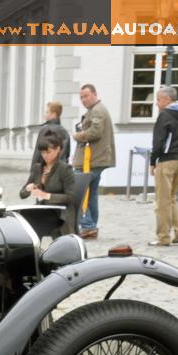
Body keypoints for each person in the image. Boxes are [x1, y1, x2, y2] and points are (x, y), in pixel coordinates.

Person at [147, 84, 178, 247]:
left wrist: (153, 161)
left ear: (167, 99)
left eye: (158, 99)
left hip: (167, 161)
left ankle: (163, 237)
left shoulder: (165, 115)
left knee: (162, 201)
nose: (156, 103)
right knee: (172, 198)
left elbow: (158, 141)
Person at [70, 83, 115, 240]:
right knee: (91, 194)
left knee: (79, 192)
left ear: (94, 94)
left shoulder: (97, 110)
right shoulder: (95, 110)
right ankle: (91, 226)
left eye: (86, 96)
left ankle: (88, 226)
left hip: (91, 159)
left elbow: (95, 132)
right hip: (94, 159)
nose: (83, 99)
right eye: (81, 97)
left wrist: (78, 136)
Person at [20, 134, 78, 237]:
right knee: (22, 219)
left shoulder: (65, 169)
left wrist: (46, 195)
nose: (45, 155)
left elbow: (71, 197)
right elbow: (22, 194)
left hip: (60, 213)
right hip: (43, 210)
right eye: (42, 152)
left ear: (58, 149)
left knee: (31, 222)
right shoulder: (38, 168)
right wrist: (28, 189)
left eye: (48, 152)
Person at [30, 100, 69, 167]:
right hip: (61, 169)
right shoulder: (65, 132)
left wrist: (33, 170)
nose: (45, 114)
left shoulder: (45, 130)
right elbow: (67, 153)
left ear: (54, 114)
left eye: (47, 112)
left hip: (46, 169)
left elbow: (38, 153)